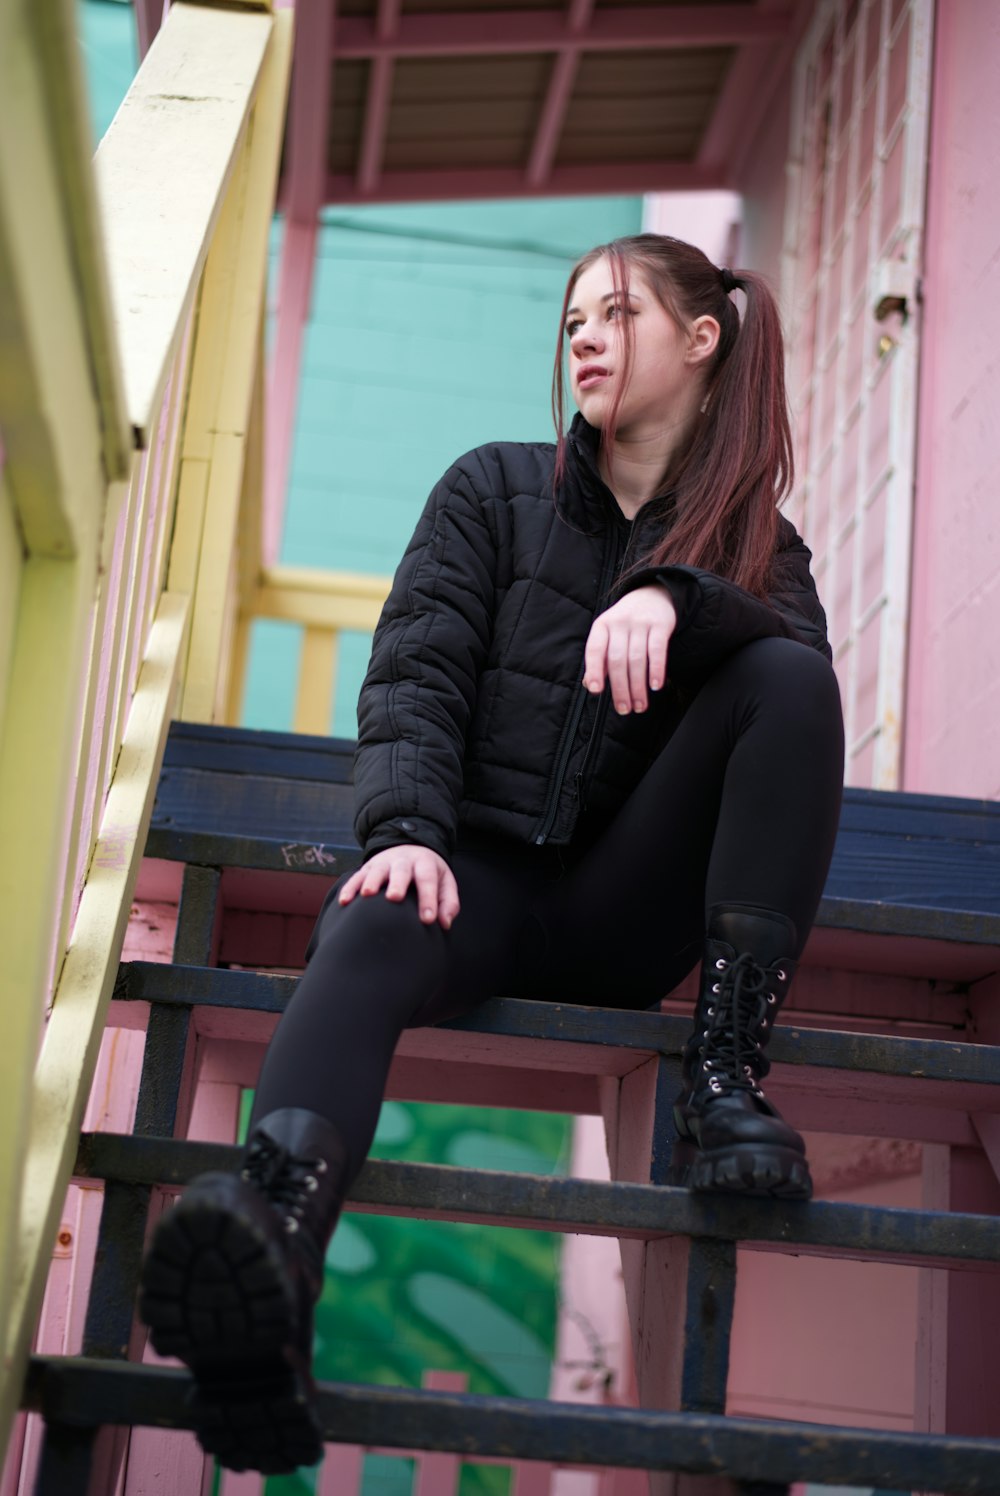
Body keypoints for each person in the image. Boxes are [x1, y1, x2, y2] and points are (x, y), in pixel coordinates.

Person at [138, 234, 845, 1474]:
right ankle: (271, 1246)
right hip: (476, 880)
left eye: (615, 313)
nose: (581, 335)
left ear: (701, 339)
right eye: (571, 317)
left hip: (628, 910)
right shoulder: (491, 487)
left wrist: (677, 594)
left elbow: (789, 694)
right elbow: (413, 674)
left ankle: (727, 1082)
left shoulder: (758, 548)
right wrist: (407, 834)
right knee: (364, 919)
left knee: (785, 674)